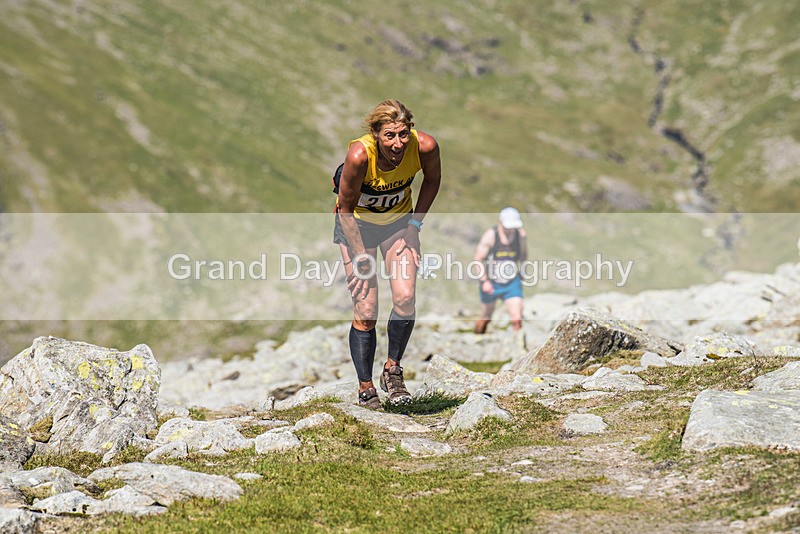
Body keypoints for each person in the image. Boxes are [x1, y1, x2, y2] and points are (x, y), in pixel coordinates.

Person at [333, 100, 441, 409]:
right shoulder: (359, 155)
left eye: (403, 134)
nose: (397, 143)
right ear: (376, 134)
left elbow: (432, 180)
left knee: (405, 298)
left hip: (398, 224)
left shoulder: (425, 146)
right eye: (389, 136)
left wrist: (415, 225)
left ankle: (392, 371)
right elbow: (345, 210)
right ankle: (366, 388)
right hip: (356, 227)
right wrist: (361, 258)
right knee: (367, 309)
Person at [473, 207, 528, 334]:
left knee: (517, 318)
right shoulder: (491, 236)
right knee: (486, 318)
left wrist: (522, 272)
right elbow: (478, 259)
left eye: (513, 227)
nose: (510, 230)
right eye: (508, 227)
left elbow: (524, 255)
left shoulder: (520, 236)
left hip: (512, 282)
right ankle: (477, 336)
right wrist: (484, 281)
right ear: (501, 223)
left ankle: (516, 343)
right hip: (491, 283)